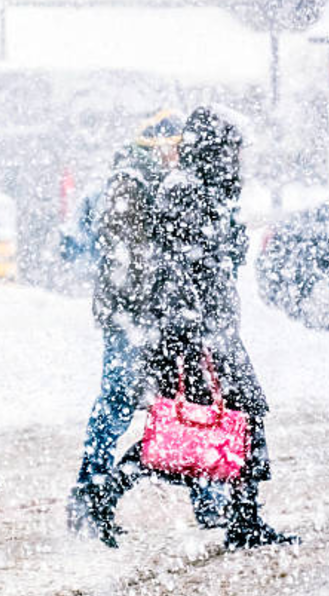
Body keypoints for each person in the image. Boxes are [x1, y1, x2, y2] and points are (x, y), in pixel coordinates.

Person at [91, 107, 298, 550]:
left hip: (209, 331)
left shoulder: (206, 191)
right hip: (194, 336)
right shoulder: (185, 192)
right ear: (215, 151)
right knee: (188, 429)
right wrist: (192, 335)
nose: (240, 160)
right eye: (234, 151)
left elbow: (213, 261)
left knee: (219, 423)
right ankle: (107, 495)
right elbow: (182, 270)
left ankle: (243, 519)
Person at [67, 110, 228, 537]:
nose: (179, 155)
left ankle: (208, 498)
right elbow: (127, 260)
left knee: (188, 402)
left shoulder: (157, 184)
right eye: (173, 146)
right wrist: (154, 300)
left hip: (153, 317)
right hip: (133, 319)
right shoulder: (130, 183)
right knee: (120, 402)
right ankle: (88, 493)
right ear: (155, 146)